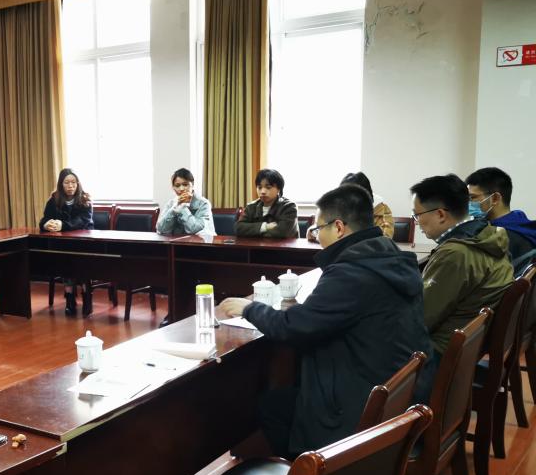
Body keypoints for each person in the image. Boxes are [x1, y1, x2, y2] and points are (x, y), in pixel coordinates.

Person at [219, 184, 434, 458]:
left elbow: (293, 327)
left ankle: (310, 474)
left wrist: (250, 309)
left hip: (364, 406)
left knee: (271, 405)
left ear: (339, 227)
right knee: (288, 392)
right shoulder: (389, 256)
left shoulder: (351, 273)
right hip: (398, 393)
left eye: (319, 228)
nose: (317, 235)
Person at [410, 174, 514, 356]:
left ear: (440, 214)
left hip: (439, 354)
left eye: (417, 215)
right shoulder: (487, 234)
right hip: (468, 347)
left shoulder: (455, 254)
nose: (416, 222)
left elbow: (420, 320)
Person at [40, 168, 94, 316]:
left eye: (73, 182)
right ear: (61, 184)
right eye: (67, 183)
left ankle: (87, 298)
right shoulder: (54, 200)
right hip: (65, 244)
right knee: (65, 259)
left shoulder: (85, 200)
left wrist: (63, 225)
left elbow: (82, 221)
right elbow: (44, 219)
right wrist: (46, 224)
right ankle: (70, 298)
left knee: (83, 262)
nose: (71, 186)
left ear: (78, 183)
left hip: (85, 243)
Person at [464, 167, 536, 268]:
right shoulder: (522, 225)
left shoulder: (501, 239)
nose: (468, 203)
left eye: (472, 197)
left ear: (495, 198)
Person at [235, 169, 298, 239]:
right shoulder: (251, 207)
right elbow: (238, 229)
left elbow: (282, 233)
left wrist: (252, 232)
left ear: (279, 189)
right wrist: (265, 226)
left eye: (268, 187)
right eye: (259, 187)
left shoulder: (289, 207)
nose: (263, 191)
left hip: (283, 246)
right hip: (255, 246)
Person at [156, 167, 215, 237]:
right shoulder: (171, 203)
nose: (181, 189)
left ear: (192, 184)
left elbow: (194, 229)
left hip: (203, 241)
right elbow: (160, 228)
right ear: (173, 188)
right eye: (177, 185)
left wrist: (182, 207)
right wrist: (174, 209)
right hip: (178, 241)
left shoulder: (203, 203)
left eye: (185, 184)